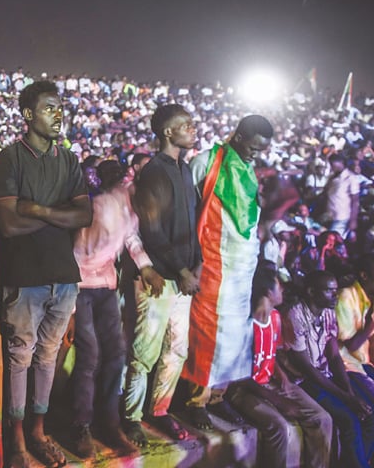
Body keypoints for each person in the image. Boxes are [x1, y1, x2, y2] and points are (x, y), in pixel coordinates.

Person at [0, 80, 92, 468]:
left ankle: (38, 431)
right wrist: (55, 215)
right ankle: (15, 439)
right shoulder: (10, 159)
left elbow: (84, 216)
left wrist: (37, 210)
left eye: (60, 108)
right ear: (28, 115)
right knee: (19, 359)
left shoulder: (68, 160)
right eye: (49, 108)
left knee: (47, 358)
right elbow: (8, 224)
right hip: (24, 276)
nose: (58, 115)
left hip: (63, 275)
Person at [184, 115, 274, 430]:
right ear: (237, 136)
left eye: (260, 150)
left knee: (235, 339)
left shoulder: (249, 172)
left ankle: (217, 399)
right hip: (211, 263)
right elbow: (186, 209)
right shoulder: (205, 162)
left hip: (242, 270)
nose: (254, 155)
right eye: (252, 148)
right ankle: (195, 401)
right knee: (207, 336)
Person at [68, 160, 159, 458]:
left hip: (106, 284)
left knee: (116, 352)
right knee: (90, 355)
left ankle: (108, 421)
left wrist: (145, 265)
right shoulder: (105, 207)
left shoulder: (127, 205)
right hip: (82, 286)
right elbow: (79, 253)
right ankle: (81, 424)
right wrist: (69, 306)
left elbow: (131, 236)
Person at [123, 104, 201, 446]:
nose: (193, 128)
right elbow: (152, 230)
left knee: (176, 349)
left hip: (182, 278)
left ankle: (160, 410)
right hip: (160, 280)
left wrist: (194, 264)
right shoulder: (155, 171)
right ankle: (130, 418)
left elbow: (192, 224)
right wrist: (182, 269)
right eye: (185, 124)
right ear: (168, 132)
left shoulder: (184, 170)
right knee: (144, 353)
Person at [226, 261, 332, 468]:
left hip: (269, 383)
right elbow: (239, 376)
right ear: (267, 292)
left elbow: (270, 355)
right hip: (244, 389)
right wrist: (277, 400)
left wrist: (283, 379)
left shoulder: (274, 317)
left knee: (322, 419)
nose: (283, 289)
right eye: (279, 285)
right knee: (279, 427)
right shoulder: (245, 324)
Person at [282, 270, 374, 468]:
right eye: (329, 291)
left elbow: (333, 356)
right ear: (312, 292)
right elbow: (307, 369)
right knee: (349, 420)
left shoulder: (328, 312)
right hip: (305, 381)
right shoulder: (294, 316)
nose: (335, 295)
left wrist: (349, 392)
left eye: (335, 290)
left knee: (368, 414)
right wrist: (348, 398)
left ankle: (355, 464)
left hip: (325, 375)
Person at [321, 153, 360, 241]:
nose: (331, 166)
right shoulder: (332, 177)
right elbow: (326, 193)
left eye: (332, 164)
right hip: (329, 215)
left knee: (333, 241)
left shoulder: (350, 178)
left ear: (341, 163)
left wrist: (353, 220)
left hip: (342, 216)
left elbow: (355, 201)